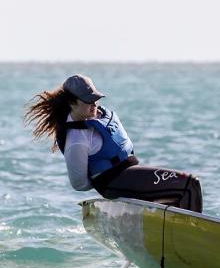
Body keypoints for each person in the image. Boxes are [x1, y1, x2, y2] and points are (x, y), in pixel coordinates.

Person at [24, 74, 203, 213]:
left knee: (180, 192)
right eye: (88, 101)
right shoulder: (77, 139)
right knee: (189, 186)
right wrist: (104, 178)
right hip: (115, 183)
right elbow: (79, 184)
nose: (94, 104)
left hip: (129, 176)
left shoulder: (100, 115)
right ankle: (196, 245)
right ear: (72, 103)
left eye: (95, 98)